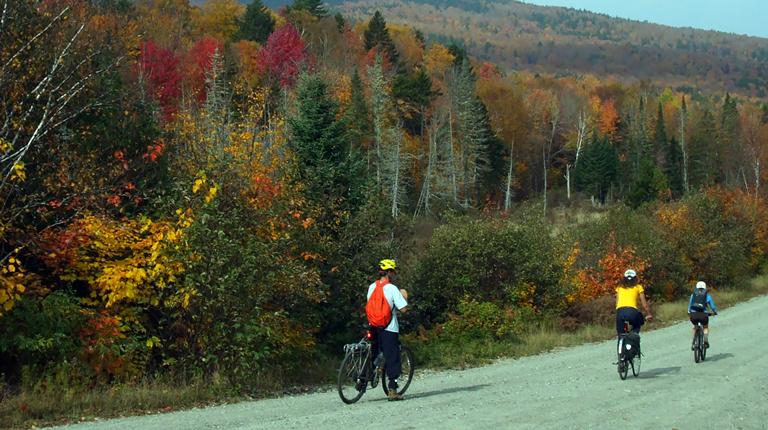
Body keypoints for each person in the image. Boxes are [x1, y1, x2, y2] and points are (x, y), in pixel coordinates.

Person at [367, 259, 408, 401]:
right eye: (393, 272)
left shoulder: (372, 287)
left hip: (372, 325)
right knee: (393, 357)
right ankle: (392, 389)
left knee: (374, 352)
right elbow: (403, 309)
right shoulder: (392, 289)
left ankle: (364, 378)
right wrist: (404, 296)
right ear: (389, 273)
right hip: (388, 328)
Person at [615, 269, 653, 335]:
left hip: (620, 311)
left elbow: (617, 303)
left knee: (621, 333)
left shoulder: (619, 287)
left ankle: (620, 344)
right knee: (637, 325)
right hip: (632, 311)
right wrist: (649, 314)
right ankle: (634, 339)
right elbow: (645, 305)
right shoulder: (638, 287)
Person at [689, 281, 717, 349]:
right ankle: (705, 340)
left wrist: (690, 311)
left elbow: (690, 305)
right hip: (703, 315)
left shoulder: (693, 295)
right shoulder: (707, 296)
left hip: (693, 315)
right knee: (705, 327)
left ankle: (693, 342)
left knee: (695, 326)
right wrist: (714, 312)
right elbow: (712, 306)